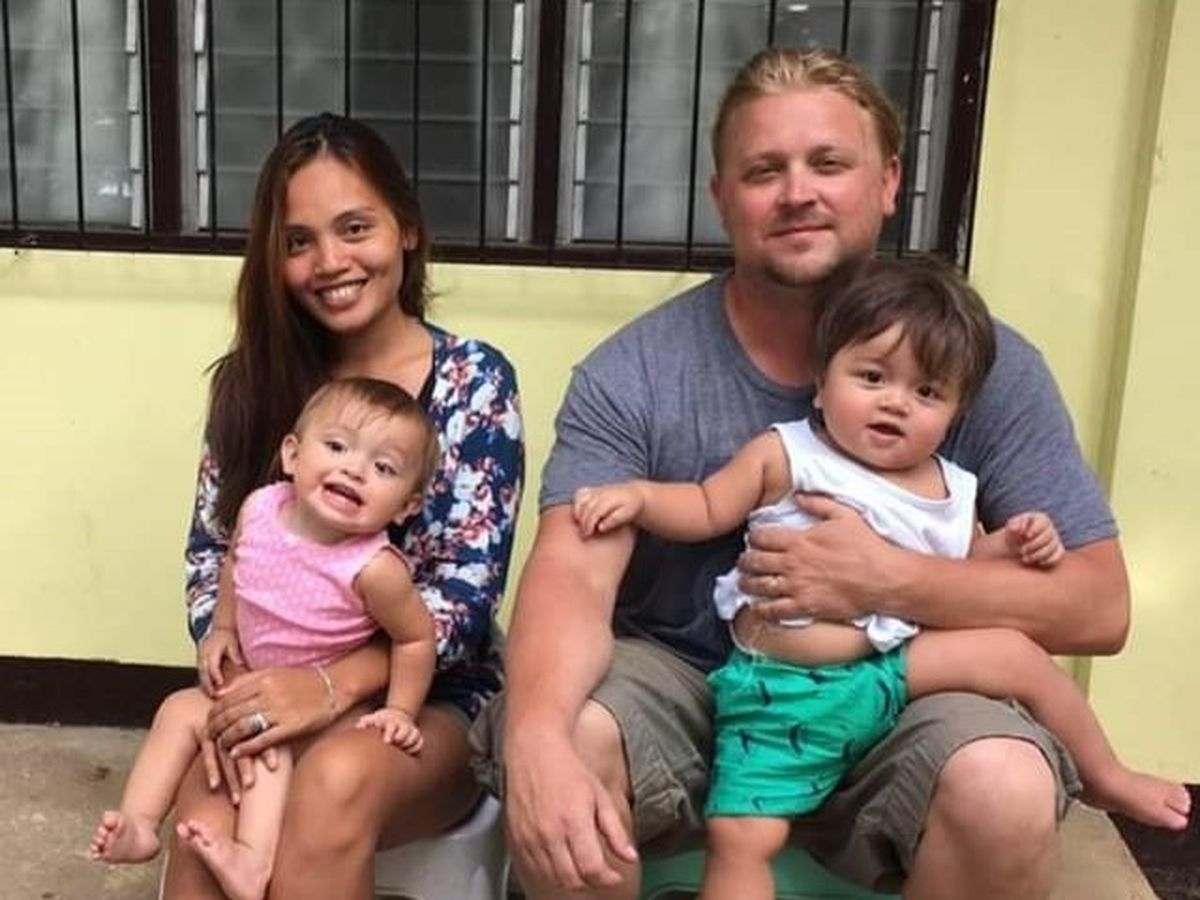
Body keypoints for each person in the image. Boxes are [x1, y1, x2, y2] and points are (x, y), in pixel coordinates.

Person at [470, 47, 1134, 900]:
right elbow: (571, 574)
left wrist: (889, 579)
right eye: (763, 171)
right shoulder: (637, 371)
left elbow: (1098, 605)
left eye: (828, 163)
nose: (797, 193)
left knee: (1005, 784)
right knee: (570, 738)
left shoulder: (985, 367)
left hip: (901, 685)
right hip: (689, 684)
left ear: (888, 182)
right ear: (722, 198)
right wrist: (533, 739)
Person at [570, 257, 1190, 899]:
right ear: (821, 383)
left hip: (892, 670)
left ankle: (1103, 773)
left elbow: (960, 574)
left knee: (1017, 655)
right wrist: (641, 498)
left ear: (955, 412)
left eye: (927, 393)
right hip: (785, 688)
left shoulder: (952, 488)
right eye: (871, 377)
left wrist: (1015, 544)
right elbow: (704, 507)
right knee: (743, 839)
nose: (896, 402)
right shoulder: (787, 454)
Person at [164, 113, 523, 900]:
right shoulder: (253, 382)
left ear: (408, 230)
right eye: (299, 241)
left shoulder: (473, 383)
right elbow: (211, 552)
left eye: (355, 227)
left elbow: (462, 600)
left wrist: (328, 687)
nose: (329, 262)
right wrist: (237, 673)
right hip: (270, 680)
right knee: (205, 809)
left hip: (425, 698)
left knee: (328, 786)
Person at [90, 377, 442, 899]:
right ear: (292, 455)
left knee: (263, 749)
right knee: (178, 710)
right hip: (254, 679)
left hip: (326, 705)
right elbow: (237, 564)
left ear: (406, 507)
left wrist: (400, 711)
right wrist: (224, 627)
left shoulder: (373, 568)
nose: (354, 469)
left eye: (383, 468)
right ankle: (140, 824)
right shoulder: (259, 509)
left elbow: (415, 638)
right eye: (337, 446)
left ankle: (253, 862)